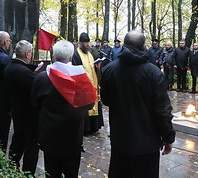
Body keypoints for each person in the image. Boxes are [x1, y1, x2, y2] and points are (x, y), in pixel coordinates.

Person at [100, 31, 175, 178]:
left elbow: (106, 100)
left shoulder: (109, 69)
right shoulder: (153, 72)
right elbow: (162, 110)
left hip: (121, 139)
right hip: (147, 142)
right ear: (143, 47)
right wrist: (168, 137)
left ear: (124, 45)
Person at [32, 40, 96, 178]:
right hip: (72, 137)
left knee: (51, 172)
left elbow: (35, 105)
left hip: (49, 136)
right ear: (71, 58)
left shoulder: (42, 78)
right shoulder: (80, 79)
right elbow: (90, 104)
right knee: (71, 173)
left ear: (53, 56)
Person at [4, 40, 38, 175]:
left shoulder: (10, 66)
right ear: (27, 53)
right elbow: (35, 88)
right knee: (31, 144)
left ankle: (12, 164)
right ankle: (28, 172)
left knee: (18, 139)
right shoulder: (23, 72)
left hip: (17, 110)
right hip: (28, 112)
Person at [72, 32, 103, 135]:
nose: (87, 44)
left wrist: (98, 68)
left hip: (93, 84)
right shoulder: (76, 54)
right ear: (80, 43)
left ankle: (94, 126)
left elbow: (93, 68)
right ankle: (86, 128)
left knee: (94, 102)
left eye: (88, 42)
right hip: (83, 86)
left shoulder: (90, 54)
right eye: (85, 42)